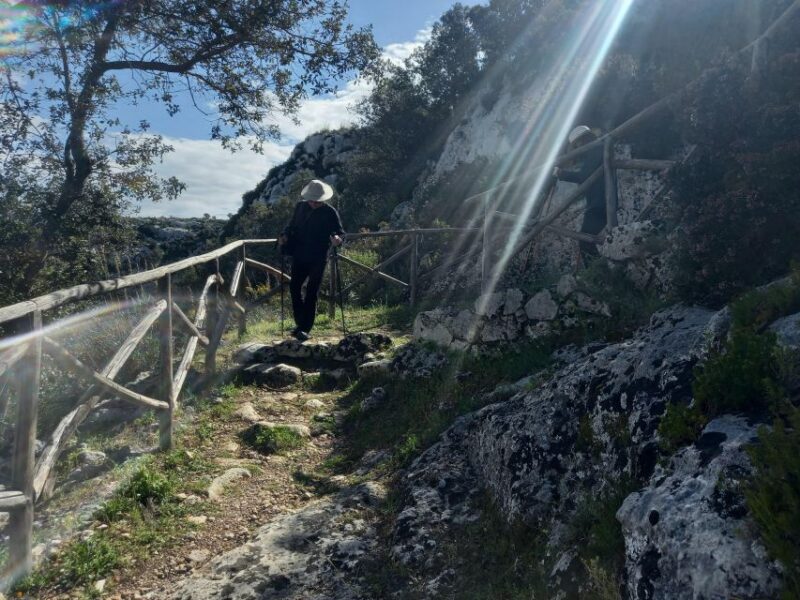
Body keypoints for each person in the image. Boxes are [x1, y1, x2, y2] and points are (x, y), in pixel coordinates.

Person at [279, 179, 344, 341]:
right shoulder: (300, 207)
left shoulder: (330, 212)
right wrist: (284, 235)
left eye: (317, 200)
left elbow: (339, 232)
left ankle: (304, 328)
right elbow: (291, 225)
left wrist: (337, 239)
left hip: (319, 256)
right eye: (311, 200)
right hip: (300, 254)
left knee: (311, 291)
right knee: (294, 287)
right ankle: (300, 323)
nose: (314, 203)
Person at [553, 125, 606, 259]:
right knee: (588, 240)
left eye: (578, 144)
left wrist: (562, 174)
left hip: (599, 203)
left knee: (585, 241)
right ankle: (599, 272)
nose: (577, 148)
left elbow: (584, 176)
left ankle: (598, 274)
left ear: (583, 140)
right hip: (599, 202)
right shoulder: (595, 150)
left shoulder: (596, 150)